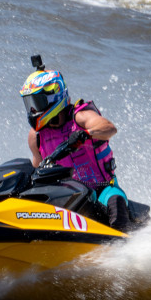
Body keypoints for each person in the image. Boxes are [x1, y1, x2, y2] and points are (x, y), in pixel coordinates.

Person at [19, 56, 131, 230]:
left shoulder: (79, 116)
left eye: (37, 102)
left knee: (115, 202)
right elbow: (37, 171)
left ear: (53, 96)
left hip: (102, 189)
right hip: (66, 197)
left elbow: (109, 128)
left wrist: (86, 134)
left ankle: (123, 251)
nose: (33, 110)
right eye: (30, 104)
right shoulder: (36, 136)